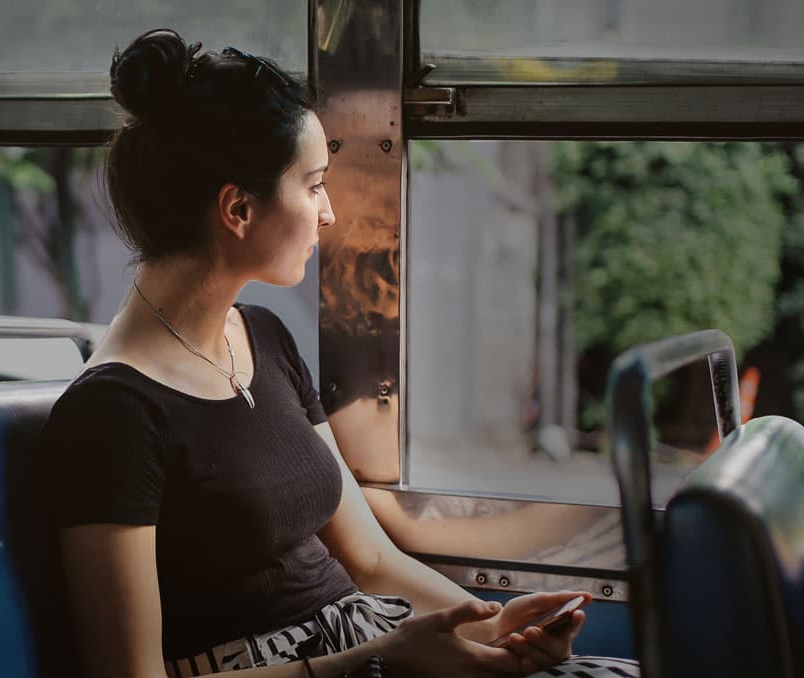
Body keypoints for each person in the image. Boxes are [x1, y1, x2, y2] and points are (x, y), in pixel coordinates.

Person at [41, 28, 639, 678]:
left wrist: (491, 631)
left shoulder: (264, 339)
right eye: (313, 184)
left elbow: (371, 562)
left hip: (374, 647)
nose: (328, 213)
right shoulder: (111, 417)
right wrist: (379, 656)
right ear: (238, 208)